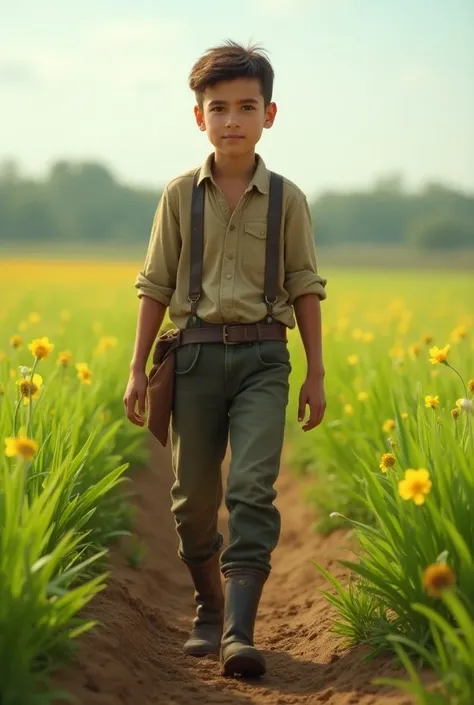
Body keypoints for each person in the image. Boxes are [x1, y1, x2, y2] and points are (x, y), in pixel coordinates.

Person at [124, 40, 327, 679]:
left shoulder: (288, 198)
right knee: (192, 500)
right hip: (194, 363)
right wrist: (136, 367)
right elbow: (154, 283)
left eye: (247, 106)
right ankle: (208, 606)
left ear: (270, 114)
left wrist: (316, 370)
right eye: (219, 108)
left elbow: (305, 285)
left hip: (268, 357)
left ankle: (239, 632)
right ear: (199, 118)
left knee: (251, 488)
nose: (233, 119)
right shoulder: (179, 196)